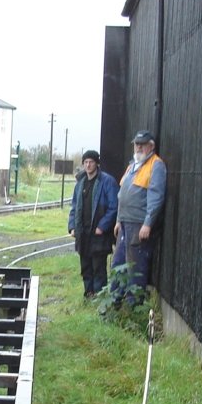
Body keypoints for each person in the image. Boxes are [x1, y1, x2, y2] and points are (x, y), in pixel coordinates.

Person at [112, 130, 166, 305]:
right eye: (137, 144)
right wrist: (118, 220)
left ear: (151, 146)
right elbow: (122, 195)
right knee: (118, 263)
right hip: (125, 223)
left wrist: (148, 223)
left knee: (135, 266)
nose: (139, 147)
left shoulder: (156, 165)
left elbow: (156, 197)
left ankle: (132, 306)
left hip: (138, 224)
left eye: (142, 144)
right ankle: (114, 302)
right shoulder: (132, 166)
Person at [67, 150, 118, 298]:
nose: (88, 165)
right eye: (86, 162)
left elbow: (114, 206)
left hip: (98, 234)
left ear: (97, 163)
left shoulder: (107, 181)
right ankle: (88, 294)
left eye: (91, 162)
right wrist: (72, 226)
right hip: (83, 233)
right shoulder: (80, 183)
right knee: (86, 266)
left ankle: (99, 297)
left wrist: (102, 227)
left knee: (98, 267)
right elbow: (74, 207)